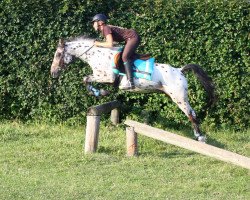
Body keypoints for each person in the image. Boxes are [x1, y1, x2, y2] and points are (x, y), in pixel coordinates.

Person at [92, 13, 141, 89]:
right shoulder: (105, 29)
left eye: (94, 22)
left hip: (132, 38)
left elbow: (110, 44)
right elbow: (112, 43)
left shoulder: (105, 28)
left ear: (100, 22)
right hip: (130, 38)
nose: (93, 25)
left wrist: (97, 43)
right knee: (122, 56)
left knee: (125, 57)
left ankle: (130, 82)